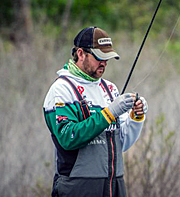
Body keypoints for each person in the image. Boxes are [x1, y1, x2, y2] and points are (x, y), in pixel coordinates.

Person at [43, 26, 148, 197]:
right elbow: (67, 138)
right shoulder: (61, 89)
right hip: (78, 188)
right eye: (99, 57)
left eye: (107, 58)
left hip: (115, 186)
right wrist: (109, 114)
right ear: (80, 54)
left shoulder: (110, 89)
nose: (104, 63)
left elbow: (123, 143)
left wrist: (136, 117)